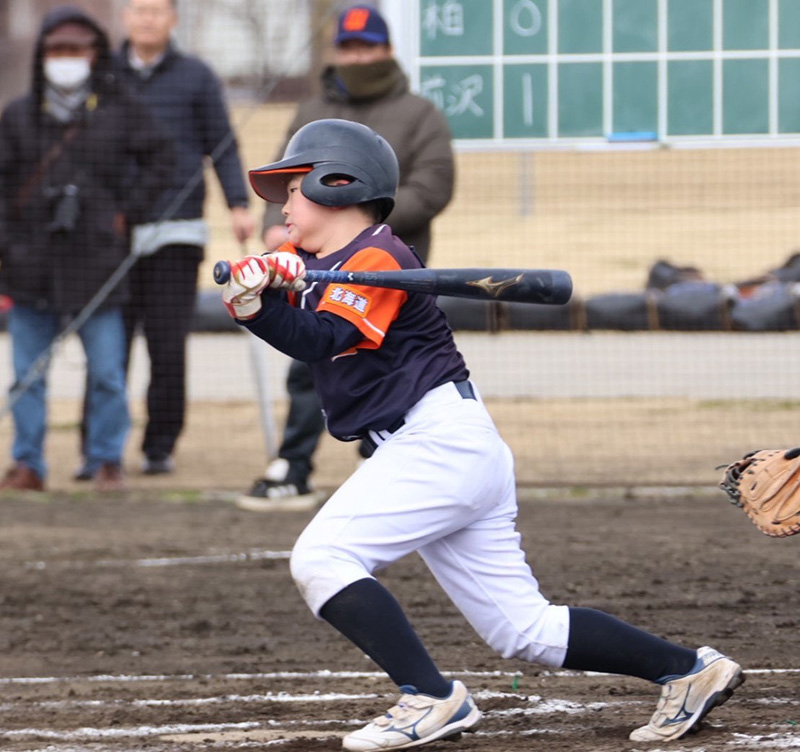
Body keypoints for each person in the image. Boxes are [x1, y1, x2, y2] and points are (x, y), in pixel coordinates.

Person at [220, 118, 744, 750]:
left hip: (440, 441)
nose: (283, 205)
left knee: (323, 558)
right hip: (445, 446)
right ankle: (689, 671)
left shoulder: (380, 257)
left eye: (294, 190)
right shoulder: (324, 263)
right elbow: (304, 298)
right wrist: (273, 278)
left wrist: (257, 307)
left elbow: (323, 338)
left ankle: (431, 697)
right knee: (524, 631)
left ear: (339, 185)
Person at [237, 3, 454, 510]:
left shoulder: (418, 113)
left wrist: (355, 238)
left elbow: (434, 185)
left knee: (382, 358)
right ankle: (295, 462)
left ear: (387, 49)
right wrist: (280, 237)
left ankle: (377, 455)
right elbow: (290, 193)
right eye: (349, 46)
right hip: (311, 264)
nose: (358, 56)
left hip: (381, 271)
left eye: (368, 46)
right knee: (316, 364)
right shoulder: (312, 109)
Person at [76, 0, 256, 479]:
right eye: (138, 10)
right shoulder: (102, 74)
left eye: (156, 10)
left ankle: (160, 445)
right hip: (109, 233)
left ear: (172, 18)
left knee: (166, 344)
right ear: (126, 18)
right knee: (106, 345)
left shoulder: (196, 76)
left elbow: (221, 142)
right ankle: (97, 447)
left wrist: (238, 203)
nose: (147, 18)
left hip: (176, 231)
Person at [0, 5, 173, 492]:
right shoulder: (17, 115)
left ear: (95, 55)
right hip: (29, 263)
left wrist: (127, 211)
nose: (66, 59)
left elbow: (164, 157)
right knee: (26, 376)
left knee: (107, 375)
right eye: (57, 50)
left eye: (76, 49)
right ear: (42, 56)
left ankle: (106, 460)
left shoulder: (120, 110)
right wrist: (7, 242)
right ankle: (28, 462)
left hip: (99, 262)